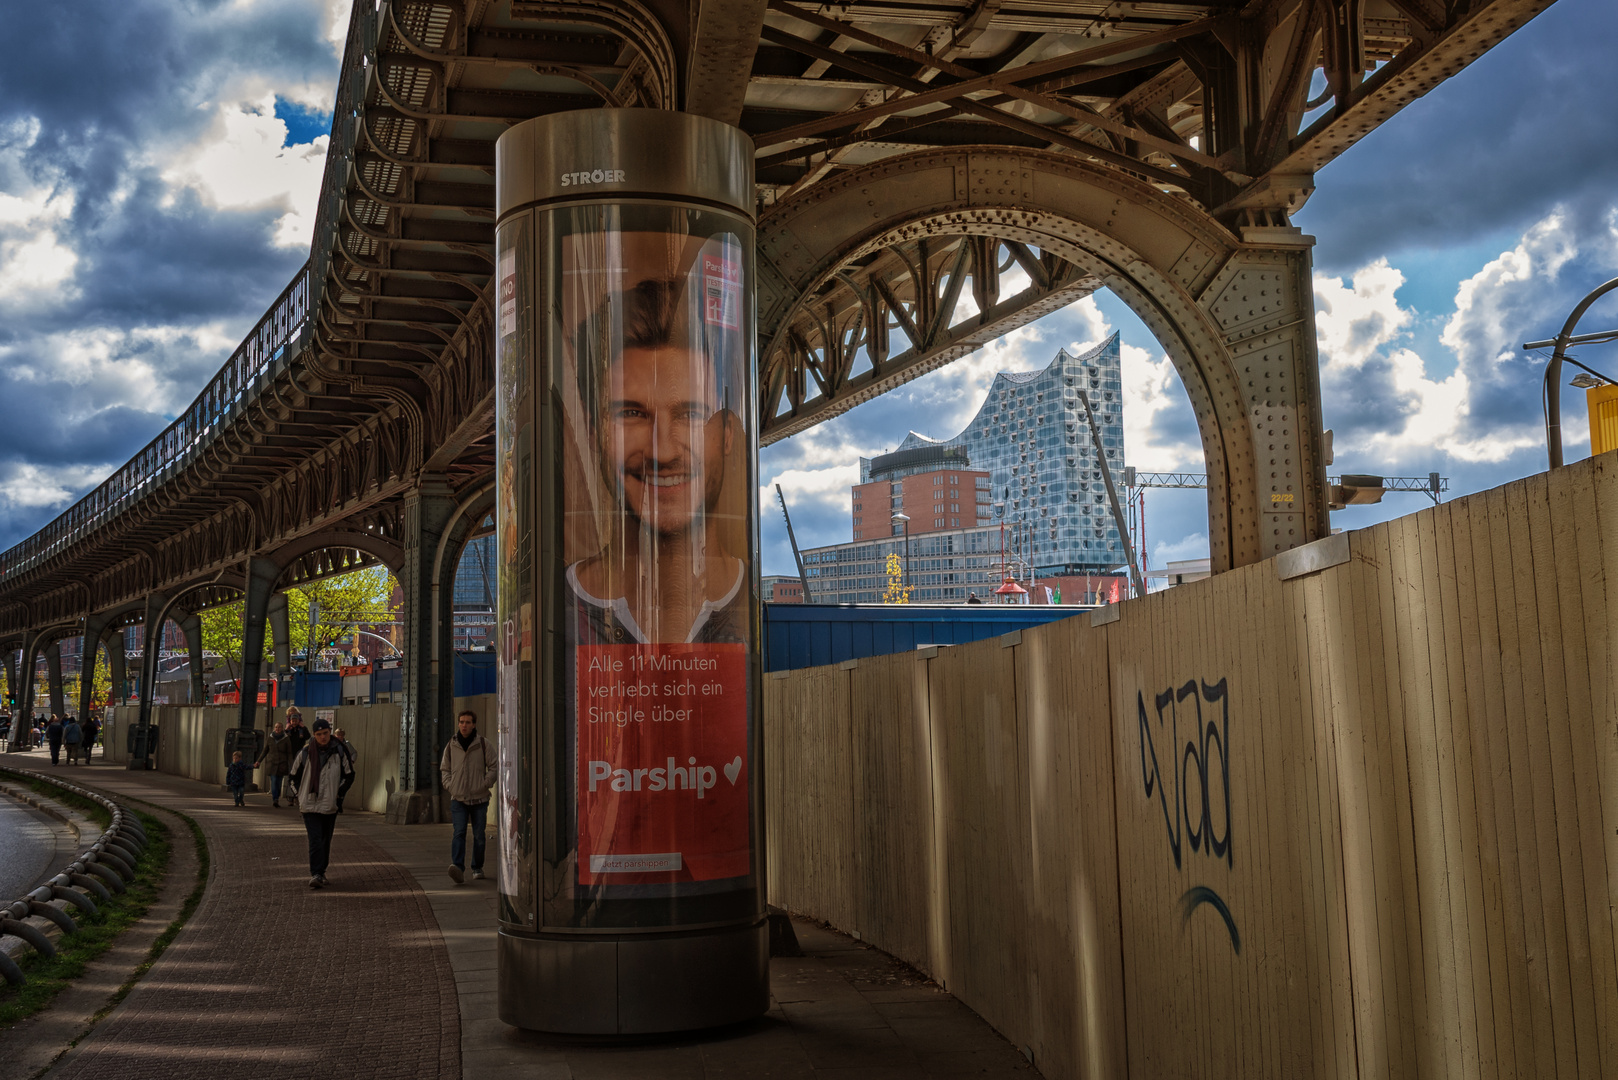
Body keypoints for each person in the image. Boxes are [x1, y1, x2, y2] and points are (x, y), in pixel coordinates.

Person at [567, 277, 748, 646]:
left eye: (692, 415)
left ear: (727, 434)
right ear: (593, 433)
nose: (663, 451)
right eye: (632, 413)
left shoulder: (758, 615)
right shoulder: (549, 617)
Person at [288, 718, 355, 889]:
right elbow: (292, 777)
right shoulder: (305, 752)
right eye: (319, 734)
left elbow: (349, 775)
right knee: (315, 839)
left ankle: (321, 871)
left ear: (330, 732)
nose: (323, 737)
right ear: (314, 735)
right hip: (309, 804)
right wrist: (300, 796)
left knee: (325, 839)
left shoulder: (339, 750)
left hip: (329, 804)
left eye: (325, 733)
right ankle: (316, 873)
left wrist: (338, 795)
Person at [439, 710, 496, 883]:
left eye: (468, 722)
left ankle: (477, 867)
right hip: (458, 799)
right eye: (461, 722)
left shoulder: (483, 744)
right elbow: (445, 769)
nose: (464, 725)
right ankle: (457, 867)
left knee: (479, 835)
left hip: (479, 799)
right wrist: (450, 786)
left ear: (474, 725)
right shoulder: (451, 745)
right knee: (459, 832)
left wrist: (484, 783)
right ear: (458, 724)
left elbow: (494, 766)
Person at [255, 721, 293, 807]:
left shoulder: (286, 739)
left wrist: (292, 764)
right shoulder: (270, 738)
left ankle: (277, 797)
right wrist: (258, 761)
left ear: (282, 729)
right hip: (272, 763)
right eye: (276, 727)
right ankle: (275, 799)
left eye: (279, 727)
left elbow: (289, 753)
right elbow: (265, 751)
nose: (277, 729)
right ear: (274, 728)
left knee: (279, 783)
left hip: (282, 764)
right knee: (274, 781)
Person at [283, 709, 309, 807]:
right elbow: (284, 738)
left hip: (300, 754)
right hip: (290, 755)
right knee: (291, 776)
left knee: (300, 776)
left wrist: (303, 728)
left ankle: (298, 796)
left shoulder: (301, 729)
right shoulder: (288, 729)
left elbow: (307, 736)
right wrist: (286, 729)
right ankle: (290, 797)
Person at [331, 728, 357, 812]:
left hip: (344, 768)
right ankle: (335, 804)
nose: (340, 737)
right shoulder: (332, 744)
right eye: (338, 735)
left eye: (341, 735)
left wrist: (352, 761)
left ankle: (339, 803)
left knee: (343, 787)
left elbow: (354, 753)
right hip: (334, 768)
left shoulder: (346, 744)